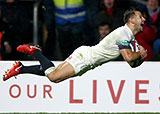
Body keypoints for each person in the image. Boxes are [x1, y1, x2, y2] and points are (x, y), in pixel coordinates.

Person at [3, 8, 147, 83]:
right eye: (141, 17)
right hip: (85, 58)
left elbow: (133, 64)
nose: (144, 19)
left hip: (86, 58)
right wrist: (139, 54)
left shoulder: (130, 38)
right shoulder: (123, 34)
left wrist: (140, 58)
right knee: (53, 77)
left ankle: (21, 69)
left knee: (52, 73)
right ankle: (35, 52)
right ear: (132, 20)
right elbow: (129, 58)